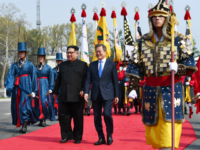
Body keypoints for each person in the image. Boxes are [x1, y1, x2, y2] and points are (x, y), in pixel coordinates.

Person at [126, 0, 197, 149]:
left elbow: (191, 65)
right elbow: (135, 66)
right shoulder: (143, 42)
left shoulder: (178, 39)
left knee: (168, 134)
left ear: (167, 18)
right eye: (154, 16)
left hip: (171, 90)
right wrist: (132, 87)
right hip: (150, 91)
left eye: (160, 16)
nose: (157, 18)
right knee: (155, 135)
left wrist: (179, 68)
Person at [84, 44, 119, 145]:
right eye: (96, 51)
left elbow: (115, 81)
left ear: (105, 51)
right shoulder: (92, 65)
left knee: (107, 114)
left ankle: (109, 135)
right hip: (95, 94)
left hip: (108, 94)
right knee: (96, 117)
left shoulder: (111, 64)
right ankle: (101, 137)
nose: (98, 53)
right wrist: (86, 92)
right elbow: (88, 80)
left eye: (100, 51)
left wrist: (117, 95)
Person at [53, 45, 88, 144]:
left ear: (77, 53)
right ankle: (66, 136)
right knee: (63, 117)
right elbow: (58, 80)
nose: (69, 54)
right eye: (68, 52)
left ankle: (77, 137)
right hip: (64, 96)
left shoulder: (83, 65)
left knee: (78, 118)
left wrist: (83, 90)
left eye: (71, 52)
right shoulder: (63, 65)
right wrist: (55, 91)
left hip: (77, 96)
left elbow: (86, 80)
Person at [4, 41, 38, 133]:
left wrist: (34, 91)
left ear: (25, 53)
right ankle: (20, 123)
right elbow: (10, 75)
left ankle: (24, 126)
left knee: (25, 106)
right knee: (17, 106)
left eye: (22, 52)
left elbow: (34, 77)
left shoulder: (30, 65)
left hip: (26, 88)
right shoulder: (14, 65)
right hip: (17, 88)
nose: (21, 53)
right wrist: (9, 86)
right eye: (19, 52)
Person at [34, 46, 55, 127]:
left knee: (44, 103)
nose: (40, 58)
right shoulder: (34, 68)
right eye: (39, 57)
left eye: (42, 57)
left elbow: (51, 78)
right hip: (37, 86)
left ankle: (44, 118)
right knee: (37, 103)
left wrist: (51, 88)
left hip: (45, 87)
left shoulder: (48, 68)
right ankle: (40, 119)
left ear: (44, 57)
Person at [52, 50, 66, 118]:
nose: (59, 62)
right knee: (56, 101)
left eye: (60, 60)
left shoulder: (65, 69)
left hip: (63, 87)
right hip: (56, 86)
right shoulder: (53, 70)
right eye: (58, 61)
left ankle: (62, 113)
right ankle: (56, 114)